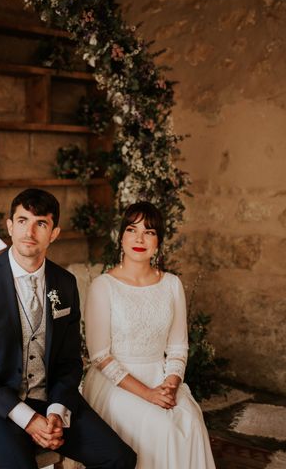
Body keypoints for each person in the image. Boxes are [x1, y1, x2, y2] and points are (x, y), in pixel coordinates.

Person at [0, 188, 137, 469]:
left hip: (50, 399)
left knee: (120, 458)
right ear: (10, 226)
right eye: (23, 220)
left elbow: (69, 362)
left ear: (54, 233)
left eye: (41, 223)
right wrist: (29, 420)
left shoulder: (65, 283)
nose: (30, 231)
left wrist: (56, 412)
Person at [83, 201, 216, 469]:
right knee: (160, 428)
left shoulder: (172, 284)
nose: (140, 238)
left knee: (190, 420)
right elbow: (99, 356)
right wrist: (148, 394)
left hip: (161, 375)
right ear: (121, 238)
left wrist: (171, 385)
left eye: (149, 232)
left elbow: (178, 347)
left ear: (158, 242)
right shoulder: (103, 286)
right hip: (116, 383)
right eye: (132, 230)